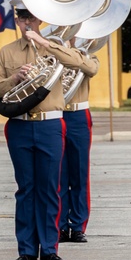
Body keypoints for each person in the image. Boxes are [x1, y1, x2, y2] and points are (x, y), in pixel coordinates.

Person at [0, 0, 88, 260]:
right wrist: (14, 78)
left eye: (31, 17)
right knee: (26, 189)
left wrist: (44, 42)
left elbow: (83, 64)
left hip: (49, 125)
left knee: (50, 189)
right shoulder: (7, 52)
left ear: (40, 19)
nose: (27, 23)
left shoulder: (54, 47)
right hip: (19, 125)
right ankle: (27, 251)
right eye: (22, 18)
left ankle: (50, 249)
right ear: (17, 20)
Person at [58, 39, 98, 244]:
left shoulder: (87, 54)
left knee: (80, 173)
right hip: (55, 114)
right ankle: (59, 226)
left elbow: (91, 69)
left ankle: (77, 226)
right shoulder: (49, 51)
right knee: (58, 174)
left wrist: (68, 53)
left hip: (79, 115)